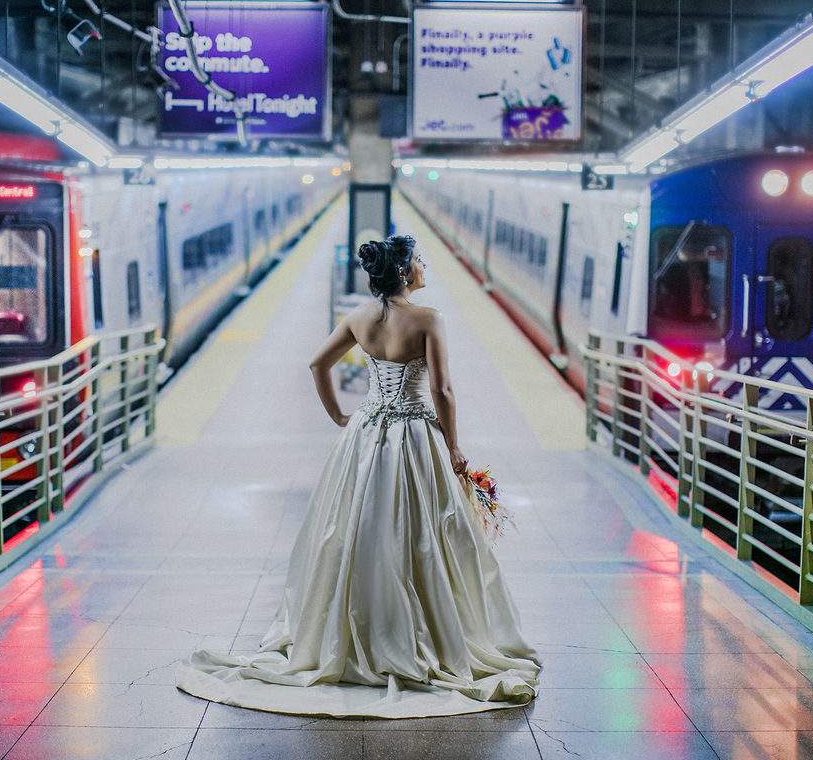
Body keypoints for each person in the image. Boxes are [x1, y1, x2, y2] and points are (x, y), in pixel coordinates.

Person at [175, 234, 540, 718]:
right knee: (422, 535)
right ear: (406, 272)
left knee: (356, 530)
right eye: (420, 261)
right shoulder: (430, 319)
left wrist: (340, 417)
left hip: (365, 435)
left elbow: (317, 363)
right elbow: (443, 389)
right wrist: (452, 446)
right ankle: (419, 632)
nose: (425, 266)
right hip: (415, 434)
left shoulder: (358, 318)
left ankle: (353, 630)